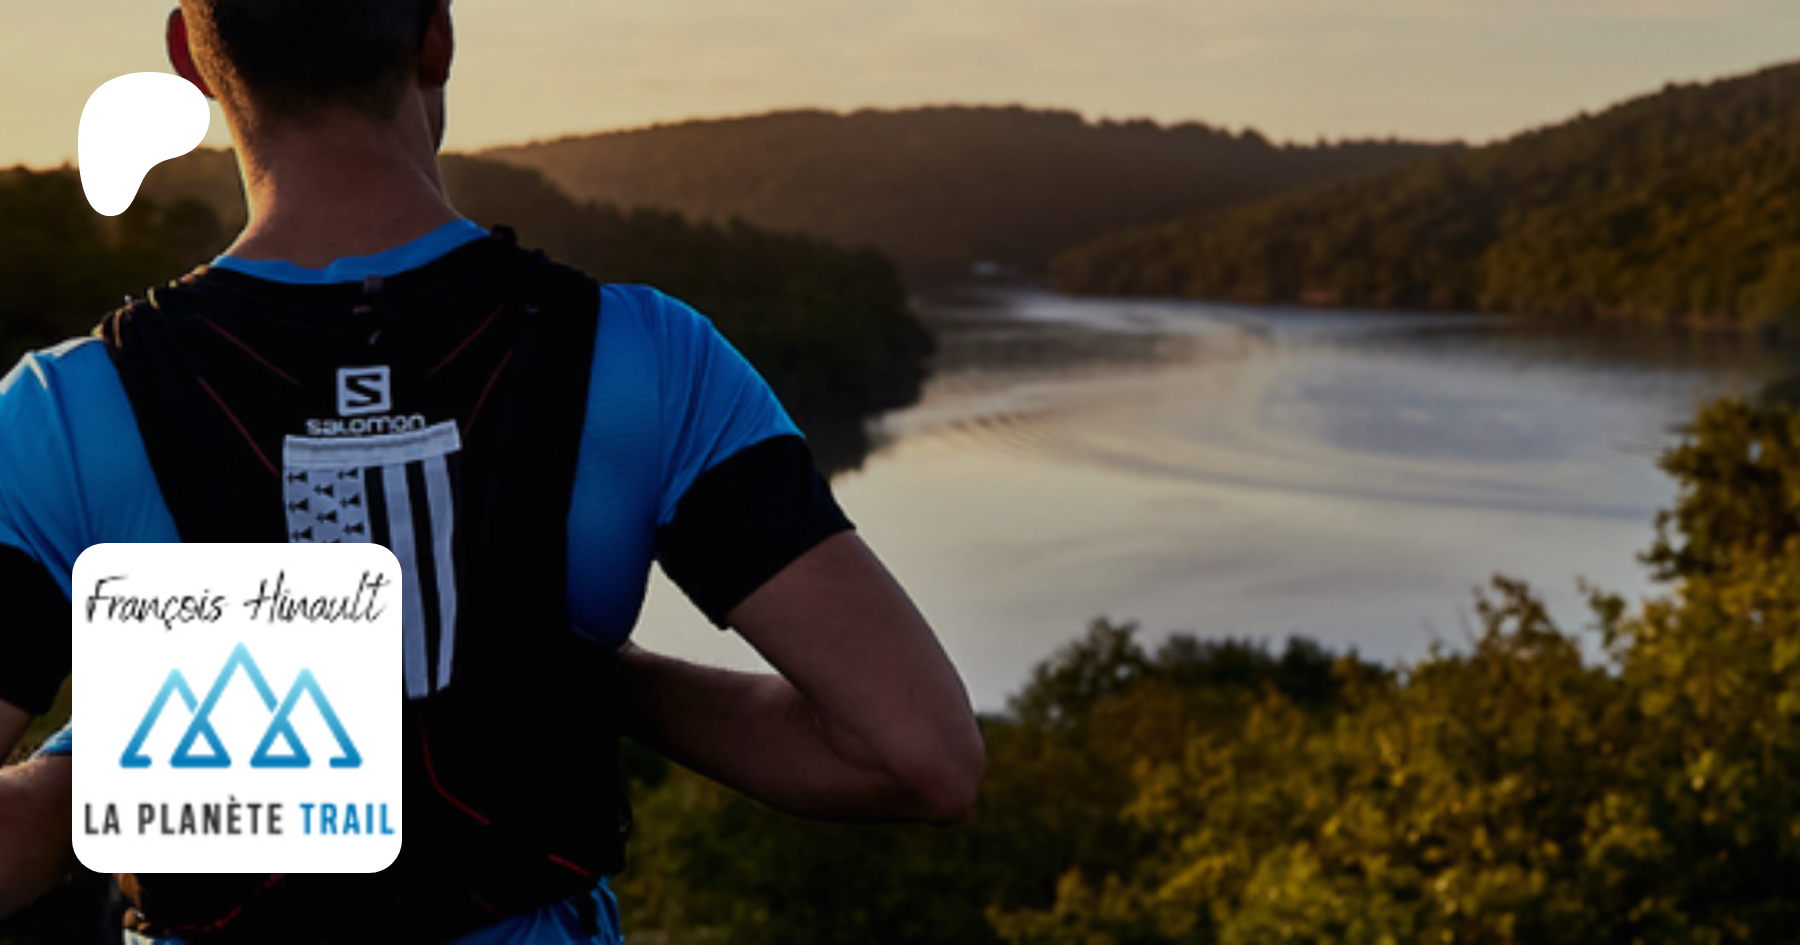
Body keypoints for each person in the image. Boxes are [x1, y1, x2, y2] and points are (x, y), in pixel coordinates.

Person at [0, 1, 985, 942]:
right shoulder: (643, 361)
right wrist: (581, 674)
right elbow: (915, 755)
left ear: (189, 58)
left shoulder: (66, 412)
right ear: (437, 35)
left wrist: (163, 741)